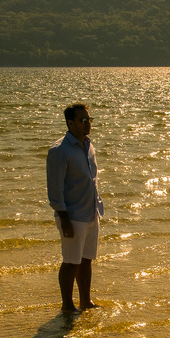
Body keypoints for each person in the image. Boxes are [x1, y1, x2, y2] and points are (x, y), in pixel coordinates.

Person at [47, 103, 104, 313]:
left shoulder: (89, 145)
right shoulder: (59, 151)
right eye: (82, 120)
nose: (87, 123)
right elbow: (55, 189)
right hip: (72, 216)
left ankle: (85, 301)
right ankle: (67, 305)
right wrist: (64, 218)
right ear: (70, 123)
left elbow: (92, 179)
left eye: (89, 119)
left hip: (91, 212)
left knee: (86, 260)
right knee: (71, 261)